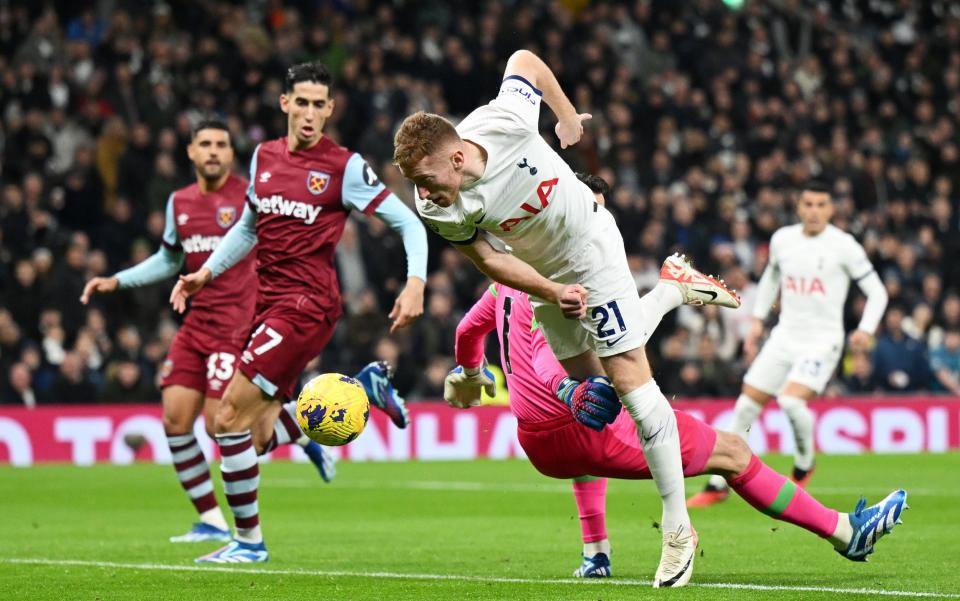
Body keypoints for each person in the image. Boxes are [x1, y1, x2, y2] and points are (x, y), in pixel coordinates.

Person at [394, 49, 739, 587]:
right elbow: (490, 260)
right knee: (596, 388)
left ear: (457, 157)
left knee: (632, 387)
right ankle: (670, 291)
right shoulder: (439, 207)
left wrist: (567, 114)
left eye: (427, 178)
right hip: (547, 280)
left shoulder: (502, 120)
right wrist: (553, 292)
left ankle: (677, 527)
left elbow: (524, 60)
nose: (424, 192)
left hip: (593, 249)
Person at [170, 63, 428, 564]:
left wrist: (415, 282)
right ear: (285, 103)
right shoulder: (264, 157)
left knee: (225, 419)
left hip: (306, 306)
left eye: (320, 104)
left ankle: (248, 543)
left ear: (330, 110)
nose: (310, 113)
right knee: (257, 436)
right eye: (302, 102)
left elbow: (408, 224)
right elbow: (247, 227)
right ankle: (361, 388)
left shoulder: (344, 167)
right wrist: (207, 273)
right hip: (267, 304)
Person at [81, 121, 340, 544]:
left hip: (239, 326)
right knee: (174, 420)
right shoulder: (178, 202)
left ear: (231, 154)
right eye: (206, 144)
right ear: (190, 152)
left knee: (229, 431)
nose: (214, 151)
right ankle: (212, 520)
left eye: (222, 144)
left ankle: (305, 428)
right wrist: (118, 280)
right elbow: (169, 260)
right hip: (197, 324)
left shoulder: (252, 195)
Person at [688, 182, 889, 507]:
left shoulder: (845, 245)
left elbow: (878, 292)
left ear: (830, 209)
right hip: (784, 335)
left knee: (791, 402)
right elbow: (770, 279)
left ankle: (805, 463)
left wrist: (865, 329)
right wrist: (756, 322)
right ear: (798, 207)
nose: (813, 211)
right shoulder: (783, 239)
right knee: (745, 407)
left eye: (820, 204)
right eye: (807, 204)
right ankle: (717, 485)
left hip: (823, 340)